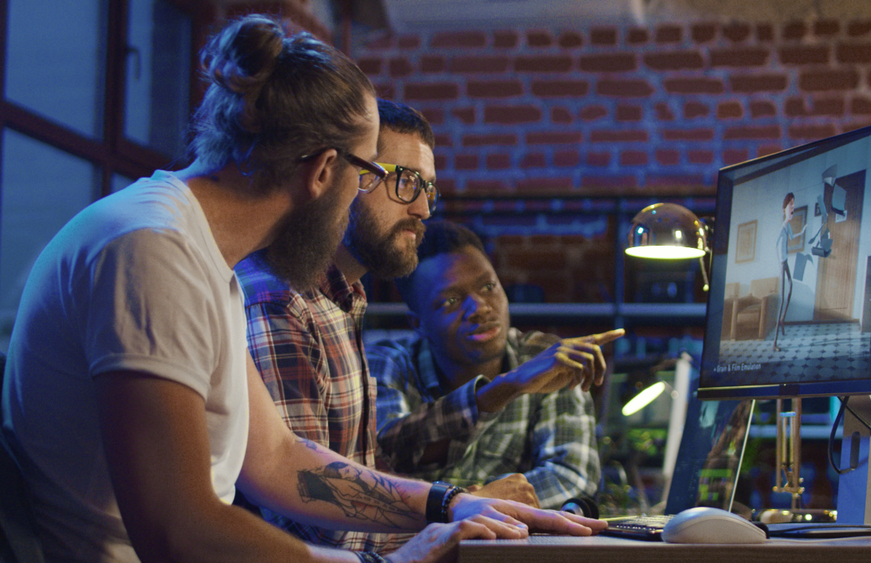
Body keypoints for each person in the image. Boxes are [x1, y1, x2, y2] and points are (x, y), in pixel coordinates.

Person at [0, 15, 602, 563]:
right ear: (322, 171)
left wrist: (448, 503)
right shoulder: (153, 251)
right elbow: (179, 530)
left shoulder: (196, 253)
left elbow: (279, 460)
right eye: (369, 173)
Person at [235, 99, 537, 554]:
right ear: (338, 174)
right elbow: (310, 525)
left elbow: (366, 466)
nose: (423, 209)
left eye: (428, 189)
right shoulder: (280, 299)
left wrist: (465, 500)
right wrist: (458, 509)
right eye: (405, 181)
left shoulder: (344, 296)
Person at [368, 221, 624, 509]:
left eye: (488, 287)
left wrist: (472, 502)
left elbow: (572, 476)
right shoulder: (387, 363)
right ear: (418, 323)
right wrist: (506, 388)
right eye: (451, 300)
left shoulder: (544, 358)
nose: (480, 307)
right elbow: (383, 459)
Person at [774, 192, 804, 352]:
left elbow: (792, 237)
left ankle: (782, 319)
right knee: (782, 298)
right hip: (782, 263)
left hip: (785, 263)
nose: (793, 207)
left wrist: (802, 231)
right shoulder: (782, 227)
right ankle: (775, 343)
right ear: (784, 209)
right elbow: (775, 245)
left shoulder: (788, 226)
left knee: (791, 286)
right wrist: (779, 262)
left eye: (794, 204)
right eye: (790, 204)